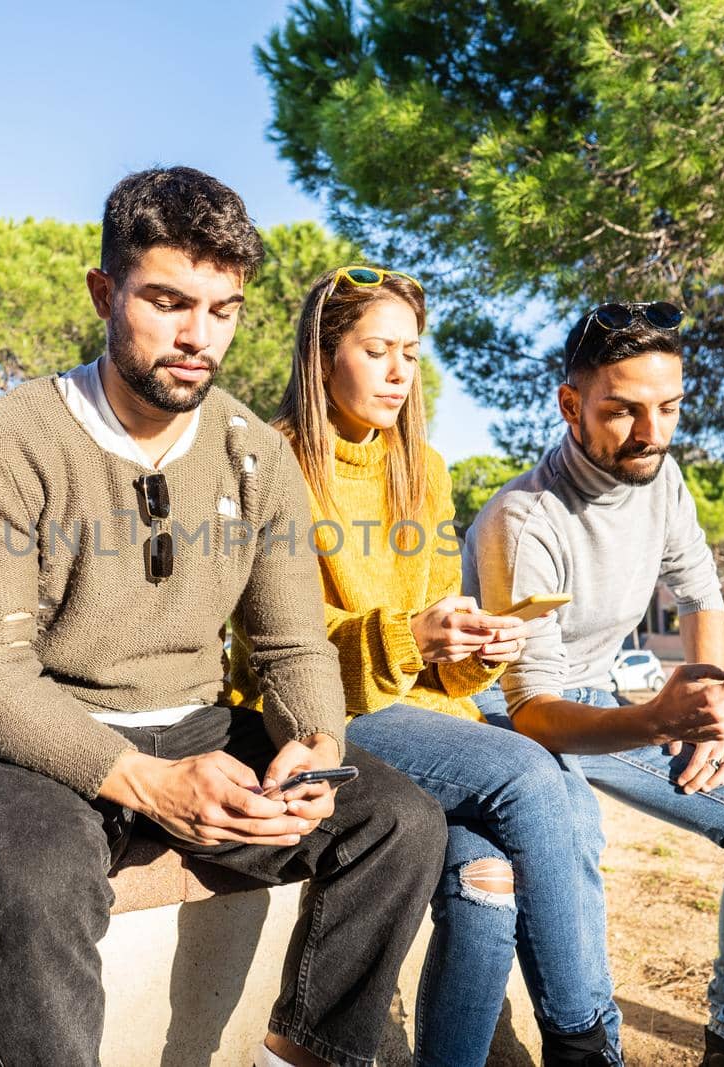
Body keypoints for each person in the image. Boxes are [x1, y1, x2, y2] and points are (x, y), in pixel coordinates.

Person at [0, 167, 445, 1067]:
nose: (196, 336)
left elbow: (290, 646)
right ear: (104, 291)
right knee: (35, 883)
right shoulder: (8, 440)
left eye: (222, 309)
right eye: (167, 301)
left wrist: (314, 747)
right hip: (44, 740)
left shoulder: (255, 453)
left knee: (399, 821)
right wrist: (144, 781)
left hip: (198, 721)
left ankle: (312, 1047)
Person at [223, 266, 624, 1067]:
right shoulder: (270, 463)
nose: (402, 371)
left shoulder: (425, 469)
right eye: (378, 350)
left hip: (419, 713)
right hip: (322, 711)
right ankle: (584, 1043)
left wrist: (474, 646)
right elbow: (273, 642)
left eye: (412, 351)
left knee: (485, 882)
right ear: (322, 353)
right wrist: (410, 635)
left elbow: (438, 637)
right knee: (535, 773)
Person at [464, 301, 724, 1067]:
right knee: (573, 832)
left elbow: (700, 592)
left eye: (668, 407)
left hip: (601, 700)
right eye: (624, 410)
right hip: (505, 712)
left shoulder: (661, 477)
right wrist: (664, 719)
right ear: (571, 405)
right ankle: (588, 1045)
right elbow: (529, 710)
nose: (652, 432)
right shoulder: (522, 521)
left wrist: (715, 720)